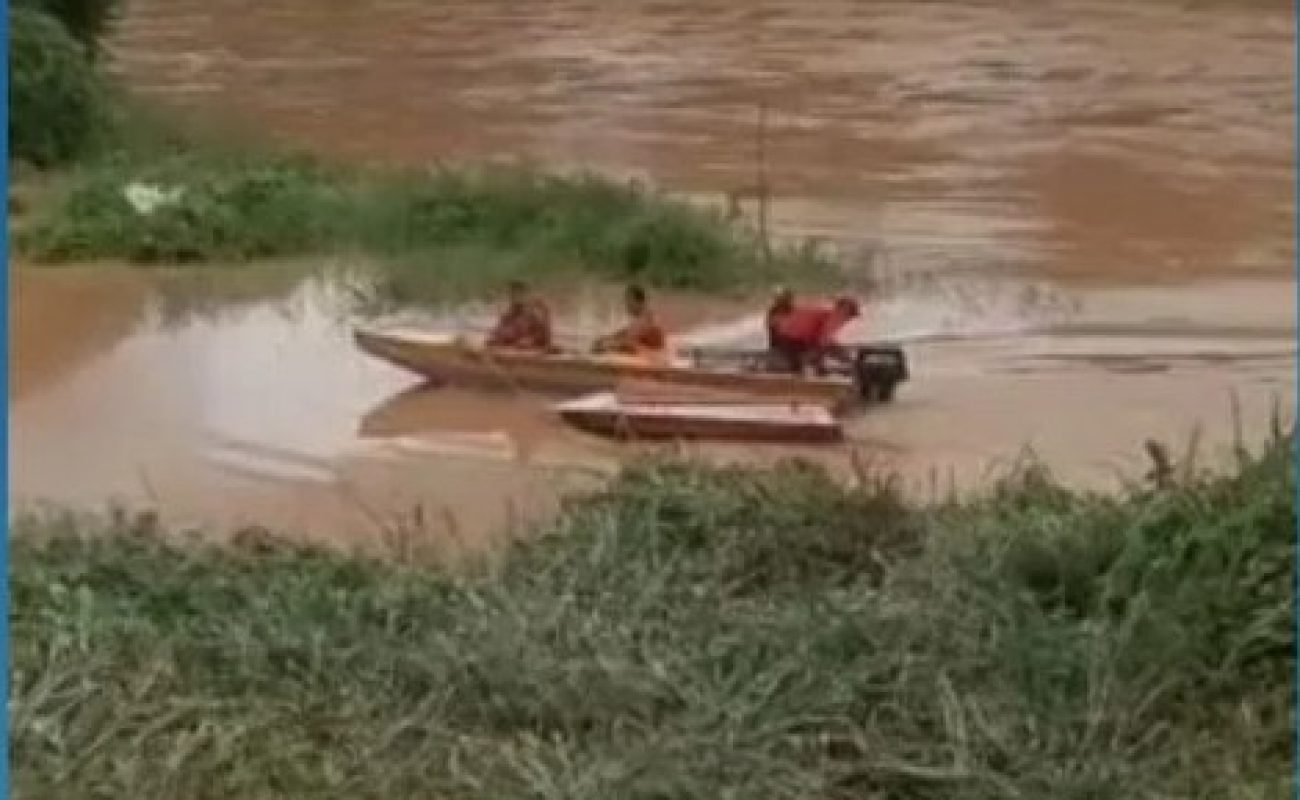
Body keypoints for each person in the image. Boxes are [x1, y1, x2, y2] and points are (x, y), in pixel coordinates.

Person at [767, 294, 861, 375]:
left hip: (782, 336)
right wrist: (846, 359)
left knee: (827, 348)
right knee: (825, 348)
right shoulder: (834, 315)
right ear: (843, 310)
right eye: (850, 315)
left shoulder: (825, 311)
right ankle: (808, 366)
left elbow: (820, 338)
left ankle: (807, 365)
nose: (849, 319)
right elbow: (823, 341)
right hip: (790, 339)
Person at [592, 284, 667, 356]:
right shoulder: (642, 316)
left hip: (654, 356)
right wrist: (606, 338)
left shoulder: (645, 319)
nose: (627, 305)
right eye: (626, 301)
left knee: (626, 346)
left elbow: (628, 342)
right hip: (650, 353)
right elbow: (626, 332)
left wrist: (606, 347)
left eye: (629, 301)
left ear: (640, 302)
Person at [486, 280, 553, 351]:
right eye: (513, 295)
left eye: (518, 294)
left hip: (528, 354)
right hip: (511, 352)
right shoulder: (507, 317)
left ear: (524, 296)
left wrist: (531, 341)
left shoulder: (532, 316)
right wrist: (493, 339)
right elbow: (498, 333)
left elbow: (544, 338)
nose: (515, 298)